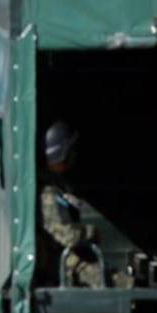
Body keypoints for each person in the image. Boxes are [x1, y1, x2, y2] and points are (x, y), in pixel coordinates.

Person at [39, 121, 104, 288]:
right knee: (109, 280)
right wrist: (90, 233)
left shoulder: (58, 185)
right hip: (59, 262)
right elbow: (64, 234)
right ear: (63, 154)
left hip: (66, 257)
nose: (75, 155)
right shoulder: (49, 192)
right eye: (72, 151)